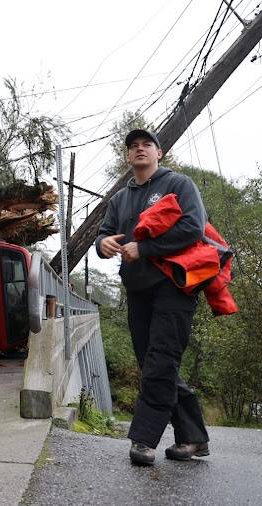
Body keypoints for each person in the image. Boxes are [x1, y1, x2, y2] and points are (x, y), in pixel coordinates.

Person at [96, 129, 210, 466]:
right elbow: (105, 235)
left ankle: (143, 440)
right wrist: (103, 245)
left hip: (175, 286)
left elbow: (194, 228)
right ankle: (193, 437)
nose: (140, 150)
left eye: (147, 145)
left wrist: (144, 247)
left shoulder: (178, 185)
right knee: (153, 364)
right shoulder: (120, 198)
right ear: (128, 157)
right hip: (138, 289)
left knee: (160, 360)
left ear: (159, 153)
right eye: (133, 147)